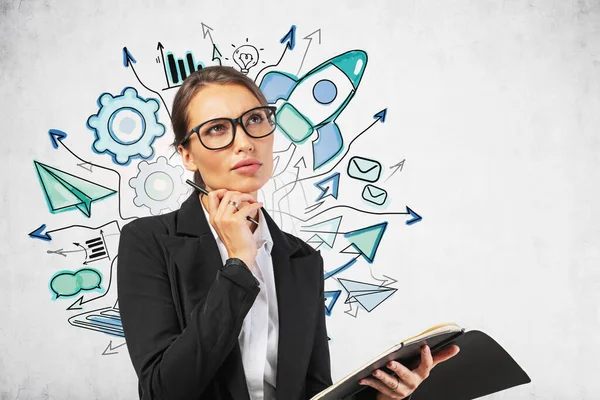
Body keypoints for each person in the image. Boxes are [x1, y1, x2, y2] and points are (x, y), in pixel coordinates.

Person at [117, 66, 459, 400]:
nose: (245, 142)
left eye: (254, 120)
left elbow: (313, 391)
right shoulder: (148, 241)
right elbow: (162, 390)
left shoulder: (302, 258)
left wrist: (384, 399)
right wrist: (239, 263)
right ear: (187, 155)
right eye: (218, 129)